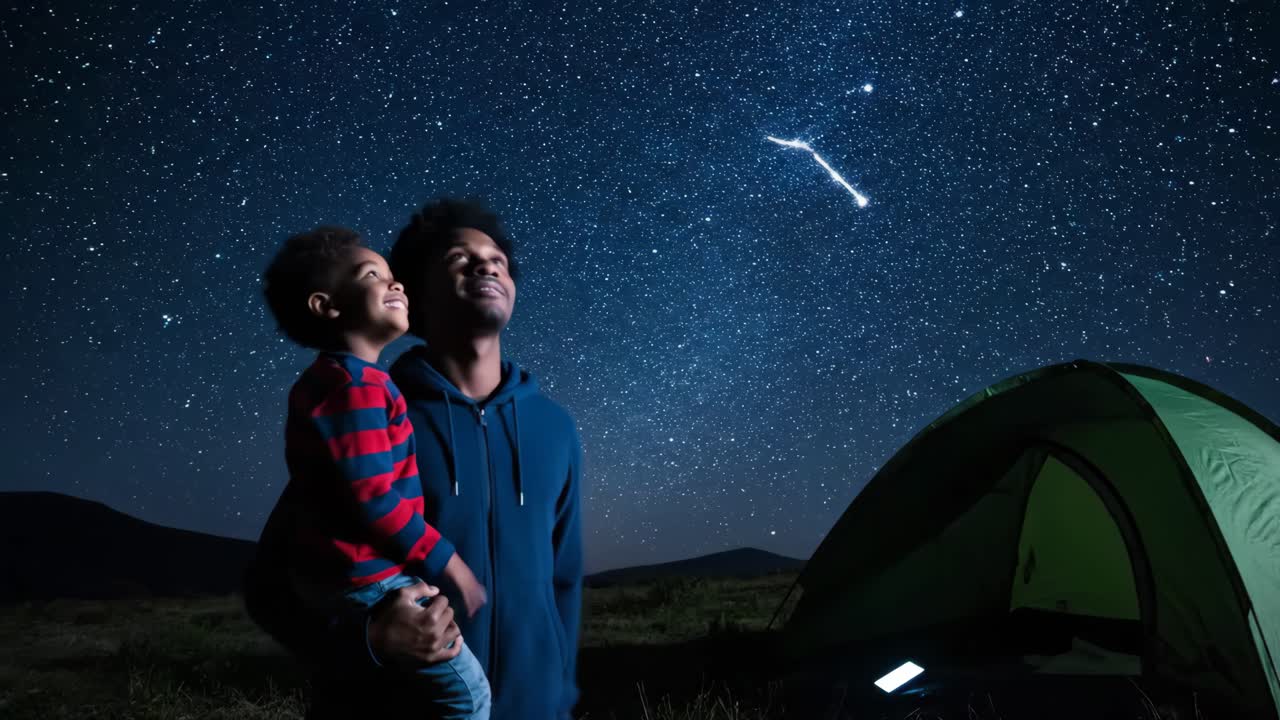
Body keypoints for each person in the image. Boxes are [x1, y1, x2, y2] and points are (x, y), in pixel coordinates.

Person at [245, 201, 585, 720]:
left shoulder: (555, 427)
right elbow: (271, 586)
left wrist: (560, 696)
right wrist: (370, 638)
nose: (487, 265)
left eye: (498, 258)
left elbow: (564, 580)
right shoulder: (365, 410)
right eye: (459, 257)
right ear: (416, 290)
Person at [253, 226, 492, 719]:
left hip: (348, 583)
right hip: (371, 582)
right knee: (468, 698)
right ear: (327, 306)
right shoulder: (354, 386)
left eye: (394, 276)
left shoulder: (333, 383)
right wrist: (451, 565)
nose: (396, 284)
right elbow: (371, 496)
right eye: (372, 275)